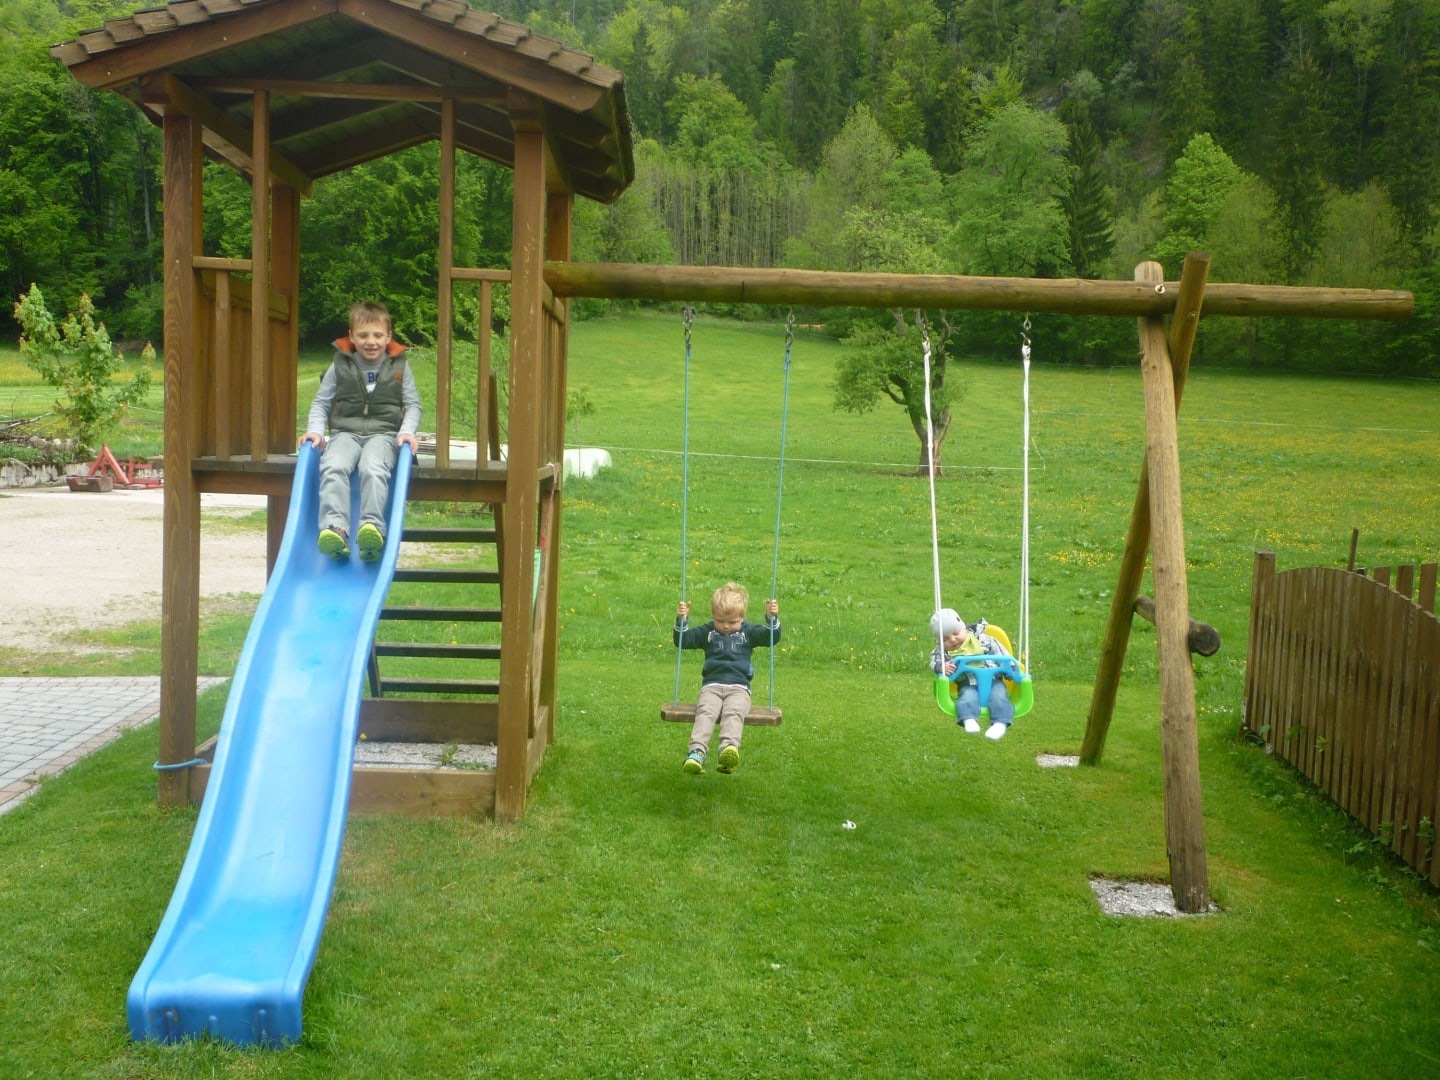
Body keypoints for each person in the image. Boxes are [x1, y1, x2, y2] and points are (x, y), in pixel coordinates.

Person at [299, 301, 421, 562]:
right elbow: (321, 403)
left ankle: (372, 527)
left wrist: (406, 432)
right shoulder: (341, 364)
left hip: (383, 434)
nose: (371, 342)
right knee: (332, 466)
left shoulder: (399, 366)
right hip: (346, 433)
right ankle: (335, 528)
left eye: (377, 335)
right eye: (363, 335)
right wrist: (315, 432)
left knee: (372, 468)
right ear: (351, 336)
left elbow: (413, 405)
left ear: (388, 337)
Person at [673, 583, 781, 775]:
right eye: (720, 620)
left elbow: (770, 637)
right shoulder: (707, 632)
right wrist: (682, 619)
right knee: (705, 712)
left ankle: (728, 750)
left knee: (734, 712)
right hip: (711, 687)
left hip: (739, 688)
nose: (725, 626)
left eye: (732, 622)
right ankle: (696, 753)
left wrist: (771, 617)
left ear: (742, 617)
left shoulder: (748, 632)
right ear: (713, 615)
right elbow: (683, 640)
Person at [930, 607, 1015, 739]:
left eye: (956, 633)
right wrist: (942, 667)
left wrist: (1010, 669)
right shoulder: (942, 650)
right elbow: (934, 662)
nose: (952, 639)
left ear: (963, 628)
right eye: (945, 639)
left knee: (999, 698)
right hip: (968, 683)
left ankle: (1000, 724)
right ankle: (969, 720)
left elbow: (1002, 654)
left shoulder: (983, 639)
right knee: (966, 698)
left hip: (994, 680)